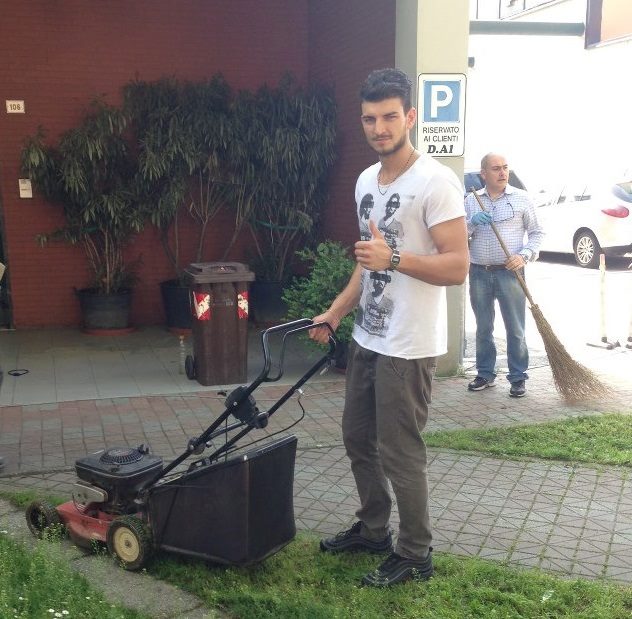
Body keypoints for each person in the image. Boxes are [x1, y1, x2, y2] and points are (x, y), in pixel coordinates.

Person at [310, 68, 468, 587]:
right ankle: (374, 528)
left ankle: (416, 552)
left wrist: (394, 257)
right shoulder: (364, 181)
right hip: (368, 336)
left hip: (410, 343)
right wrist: (337, 310)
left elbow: (457, 266)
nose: (379, 128)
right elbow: (366, 261)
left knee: (401, 451)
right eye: (369, 119)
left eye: (389, 117)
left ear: (410, 117)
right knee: (358, 439)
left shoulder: (436, 181)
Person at [464, 153, 544, 398]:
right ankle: (485, 374)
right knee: (483, 327)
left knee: (516, 328)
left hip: (510, 273)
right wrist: (471, 223)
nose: (502, 172)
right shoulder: (471, 200)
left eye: (505, 168)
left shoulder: (521, 199)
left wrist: (525, 255)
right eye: (496, 168)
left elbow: (537, 233)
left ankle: (518, 377)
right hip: (479, 272)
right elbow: (458, 235)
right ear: (483, 174)